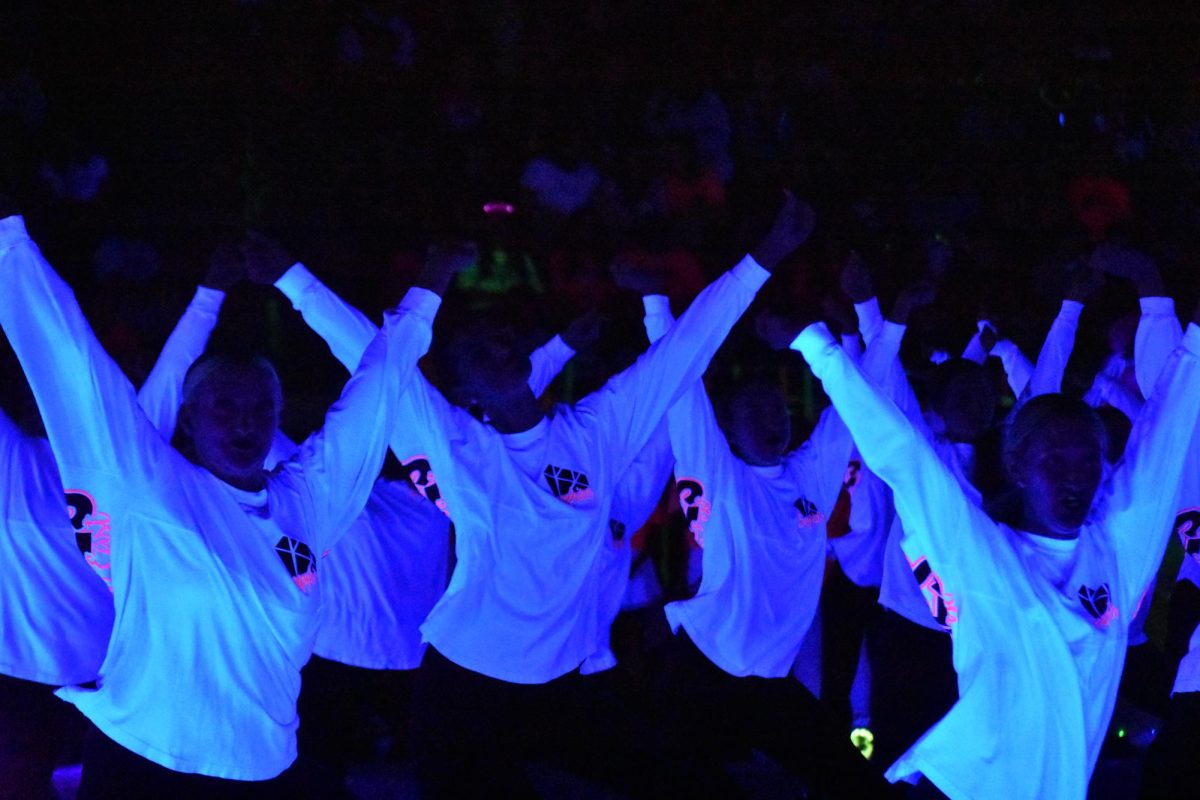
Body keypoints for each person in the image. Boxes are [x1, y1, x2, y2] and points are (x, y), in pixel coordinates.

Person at [0, 202, 454, 796]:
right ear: (187, 421)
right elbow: (71, 356)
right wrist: (9, 238)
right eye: (225, 407)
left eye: (261, 409)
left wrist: (432, 284)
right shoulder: (148, 486)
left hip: (261, 768)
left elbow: (379, 385)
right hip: (142, 759)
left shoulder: (305, 501)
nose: (245, 424)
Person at [396, 194, 813, 798]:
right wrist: (427, 280)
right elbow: (368, 354)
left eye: (506, 335)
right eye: (482, 347)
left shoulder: (592, 432)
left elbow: (685, 348)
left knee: (689, 783)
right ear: (465, 388)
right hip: (465, 687)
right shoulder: (455, 443)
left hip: (563, 680)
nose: (502, 345)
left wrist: (765, 256)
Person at [775, 293, 1200, 799]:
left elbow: (1164, 437)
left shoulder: (1119, 555)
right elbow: (903, 453)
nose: (1074, 477)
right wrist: (818, 347)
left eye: (1087, 461)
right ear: (1018, 469)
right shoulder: (980, 553)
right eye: (1054, 462)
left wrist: (1194, 340)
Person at [626, 267, 901, 797]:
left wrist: (892, 325)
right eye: (755, 411)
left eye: (778, 408)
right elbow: (679, 388)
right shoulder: (720, 474)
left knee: (852, 780)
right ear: (728, 427)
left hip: (771, 681)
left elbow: (854, 406)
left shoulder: (810, 480)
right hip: (701, 675)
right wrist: (655, 299)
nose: (772, 418)